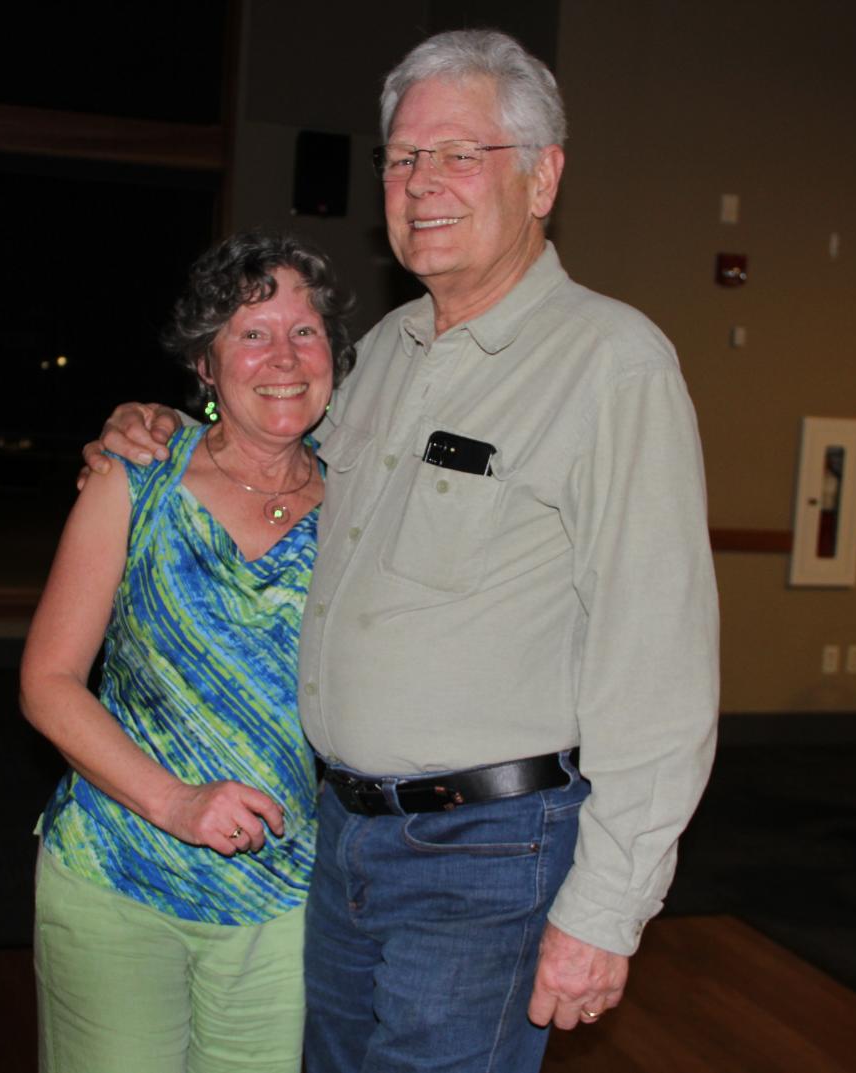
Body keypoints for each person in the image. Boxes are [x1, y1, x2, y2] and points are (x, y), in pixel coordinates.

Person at [86, 28, 718, 1073]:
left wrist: (606, 910)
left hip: (485, 855)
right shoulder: (380, 353)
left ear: (542, 178)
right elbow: (268, 459)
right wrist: (165, 425)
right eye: (402, 157)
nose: (421, 182)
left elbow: (660, 665)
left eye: (460, 154)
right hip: (338, 838)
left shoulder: (612, 365)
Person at [21, 229, 356, 1073]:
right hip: (115, 874)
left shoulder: (360, 507)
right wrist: (175, 803)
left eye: (305, 330)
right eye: (252, 333)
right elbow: (47, 681)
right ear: (205, 363)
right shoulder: (136, 476)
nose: (284, 356)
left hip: (279, 900)